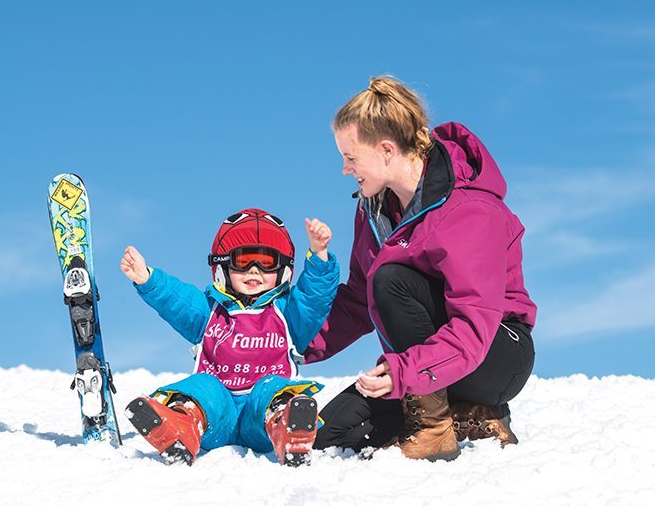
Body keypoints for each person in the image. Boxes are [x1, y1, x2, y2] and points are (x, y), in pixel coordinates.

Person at [305, 76, 536, 462]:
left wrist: (402, 374)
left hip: (495, 354)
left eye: (351, 157)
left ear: (386, 149)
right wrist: (290, 343)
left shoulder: (468, 210)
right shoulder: (373, 208)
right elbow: (359, 300)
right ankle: (467, 418)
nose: (345, 169)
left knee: (392, 278)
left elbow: (472, 327)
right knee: (330, 435)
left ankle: (435, 427)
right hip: (424, 365)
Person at [120, 208, 339, 466]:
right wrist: (148, 279)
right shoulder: (210, 312)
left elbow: (313, 299)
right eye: (243, 261)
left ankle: (289, 429)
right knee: (202, 386)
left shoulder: (287, 313)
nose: (254, 271)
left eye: (266, 262)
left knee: (273, 389)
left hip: (260, 422)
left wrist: (319, 256)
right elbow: (177, 301)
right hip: (215, 416)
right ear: (224, 266)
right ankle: (181, 426)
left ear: (283, 270)